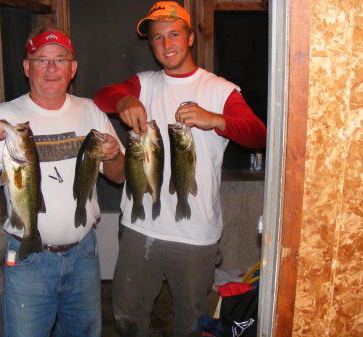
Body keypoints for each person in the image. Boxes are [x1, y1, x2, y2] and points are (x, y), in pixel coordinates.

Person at [93, 2, 267, 337]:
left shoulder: (219, 89)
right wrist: (124, 101)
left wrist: (215, 120)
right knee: (127, 316)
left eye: (174, 34)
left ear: (190, 37)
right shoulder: (143, 83)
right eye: (158, 38)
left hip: (195, 233)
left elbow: (258, 132)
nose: (166, 44)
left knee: (191, 321)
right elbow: (103, 95)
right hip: (139, 226)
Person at [0, 26, 124, 337]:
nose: (51, 69)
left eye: (60, 60)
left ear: (73, 67)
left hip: (84, 256)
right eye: (41, 60)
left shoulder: (91, 111)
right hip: (29, 262)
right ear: (27, 67)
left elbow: (118, 177)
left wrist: (114, 155)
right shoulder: (6, 116)